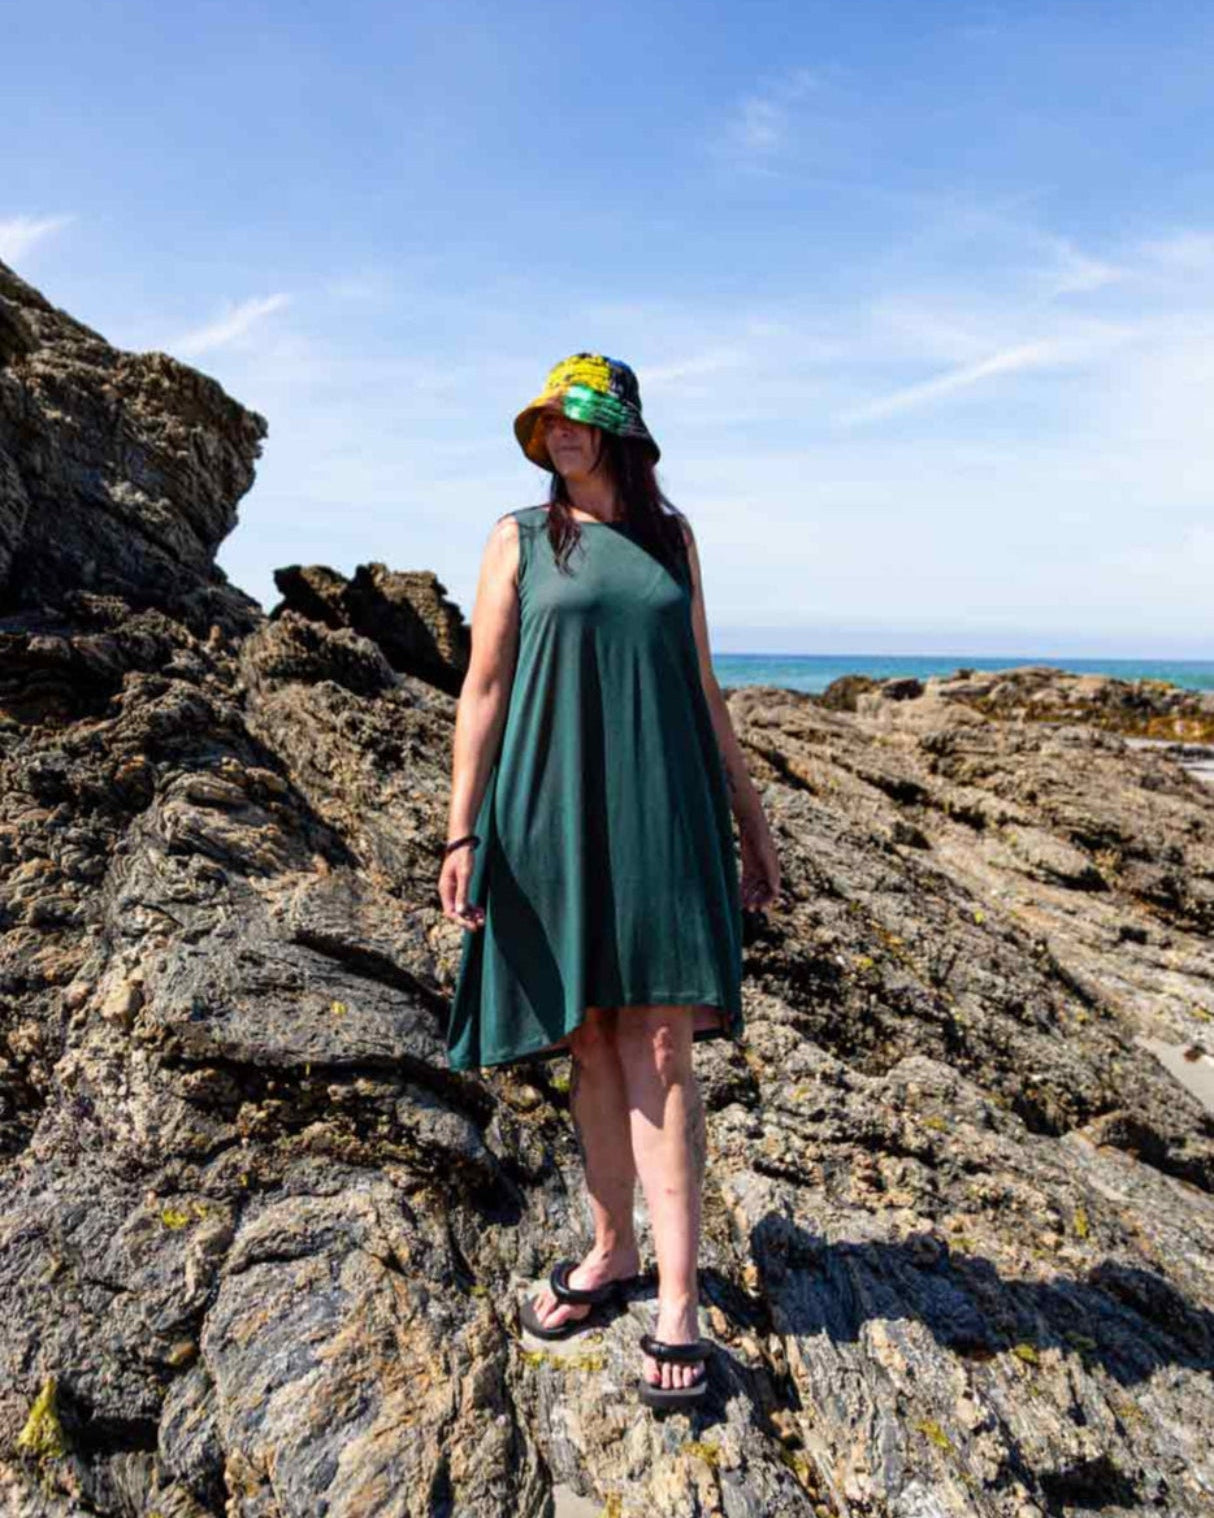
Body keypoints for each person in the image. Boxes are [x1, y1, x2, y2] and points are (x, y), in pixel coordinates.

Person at [439, 353, 780, 1409]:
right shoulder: (517, 539)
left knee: (663, 1044)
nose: (561, 435)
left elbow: (703, 686)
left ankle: (677, 1297)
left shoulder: (669, 539)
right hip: (545, 810)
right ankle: (610, 1249)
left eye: (580, 419)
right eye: (549, 422)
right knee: (586, 1035)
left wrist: (750, 821)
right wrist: (459, 834)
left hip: (662, 810)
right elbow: (482, 688)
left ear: (622, 431)